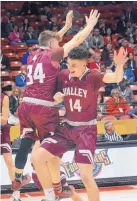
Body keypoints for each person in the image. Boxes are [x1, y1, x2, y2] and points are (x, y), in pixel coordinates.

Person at [12, 10, 100, 201]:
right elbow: (75, 41)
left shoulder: (32, 54)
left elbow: (50, 39)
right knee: (50, 153)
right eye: (58, 44)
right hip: (43, 109)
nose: (60, 45)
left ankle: (45, 191)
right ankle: (57, 190)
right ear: (52, 45)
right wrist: (89, 26)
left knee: (34, 150)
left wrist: (66, 26)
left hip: (25, 106)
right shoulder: (53, 54)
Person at [31, 46, 128, 201]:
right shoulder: (63, 75)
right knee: (37, 158)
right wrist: (56, 97)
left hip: (86, 130)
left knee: (86, 176)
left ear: (84, 64)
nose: (70, 68)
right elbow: (51, 92)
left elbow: (115, 78)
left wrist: (120, 65)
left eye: (74, 65)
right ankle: (52, 195)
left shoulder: (93, 77)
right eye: (69, 64)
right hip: (67, 127)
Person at [0, 83, 27, 201]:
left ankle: (16, 193)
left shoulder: (4, 98)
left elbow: (4, 119)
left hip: (3, 131)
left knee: (9, 162)